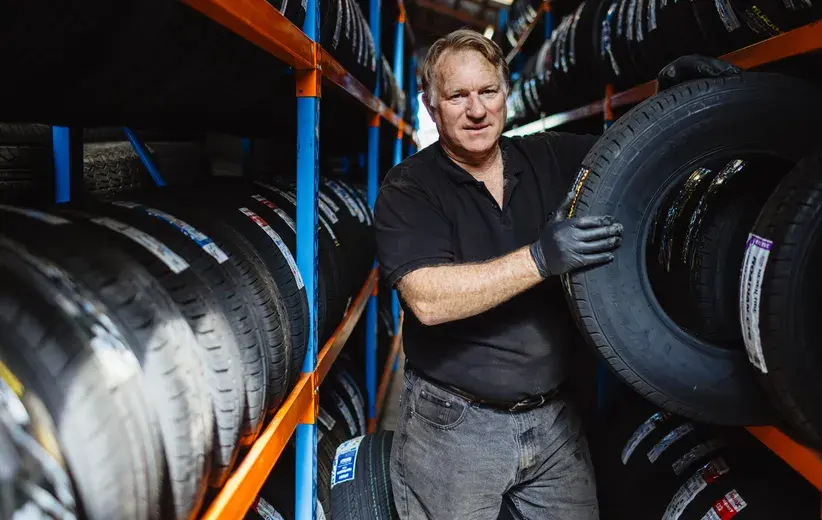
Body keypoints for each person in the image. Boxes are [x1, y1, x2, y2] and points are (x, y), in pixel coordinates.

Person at [374, 28, 623, 520]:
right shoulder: (409, 189)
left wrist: (674, 93)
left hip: (554, 422)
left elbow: (632, 144)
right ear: (430, 106)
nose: (477, 110)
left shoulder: (549, 156)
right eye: (457, 96)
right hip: (454, 428)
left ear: (506, 92)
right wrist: (539, 259)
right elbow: (428, 299)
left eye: (488, 91)